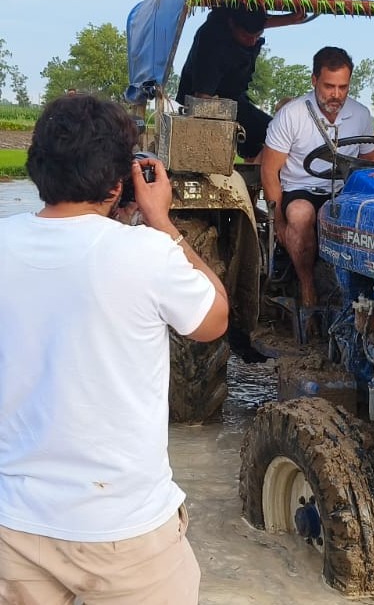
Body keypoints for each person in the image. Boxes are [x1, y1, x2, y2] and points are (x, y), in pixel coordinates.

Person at [0, 95, 229, 603]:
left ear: (38, 166)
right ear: (118, 180)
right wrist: (161, 222)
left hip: (13, 524)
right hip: (126, 531)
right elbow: (214, 318)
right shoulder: (146, 253)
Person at [261, 46, 374, 308]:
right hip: (302, 189)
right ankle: (307, 288)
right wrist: (278, 221)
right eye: (328, 86)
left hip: (343, 192)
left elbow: (372, 164)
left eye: (343, 87)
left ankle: (367, 294)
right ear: (314, 80)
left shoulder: (360, 114)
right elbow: (269, 170)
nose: (336, 95)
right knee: (302, 215)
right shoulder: (291, 115)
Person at [176, 6, 305, 162]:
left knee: (277, 131)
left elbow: (260, 24)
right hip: (204, 105)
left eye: (257, 36)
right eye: (246, 36)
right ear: (231, 24)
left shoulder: (241, 20)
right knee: (274, 133)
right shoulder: (212, 43)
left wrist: (290, 19)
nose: (251, 42)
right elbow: (202, 99)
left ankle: (254, 170)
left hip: (235, 100)